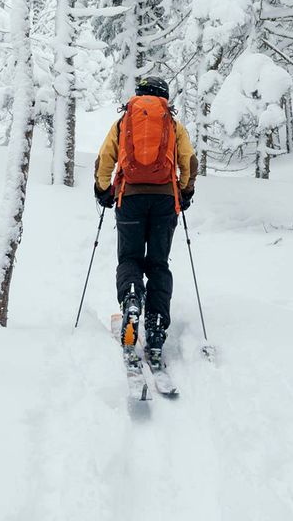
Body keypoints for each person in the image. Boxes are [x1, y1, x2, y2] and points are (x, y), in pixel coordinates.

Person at [93, 75, 197, 369]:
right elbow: (188, 161)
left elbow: (105, 158)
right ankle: (155, 322)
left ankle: (131, 299)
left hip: (131, 199)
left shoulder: (124, 121)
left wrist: (103, 190)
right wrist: (185, 191)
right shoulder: (173, 125)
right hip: (165, 200)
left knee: (130, 258)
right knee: (158, 264)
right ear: (165, 96)